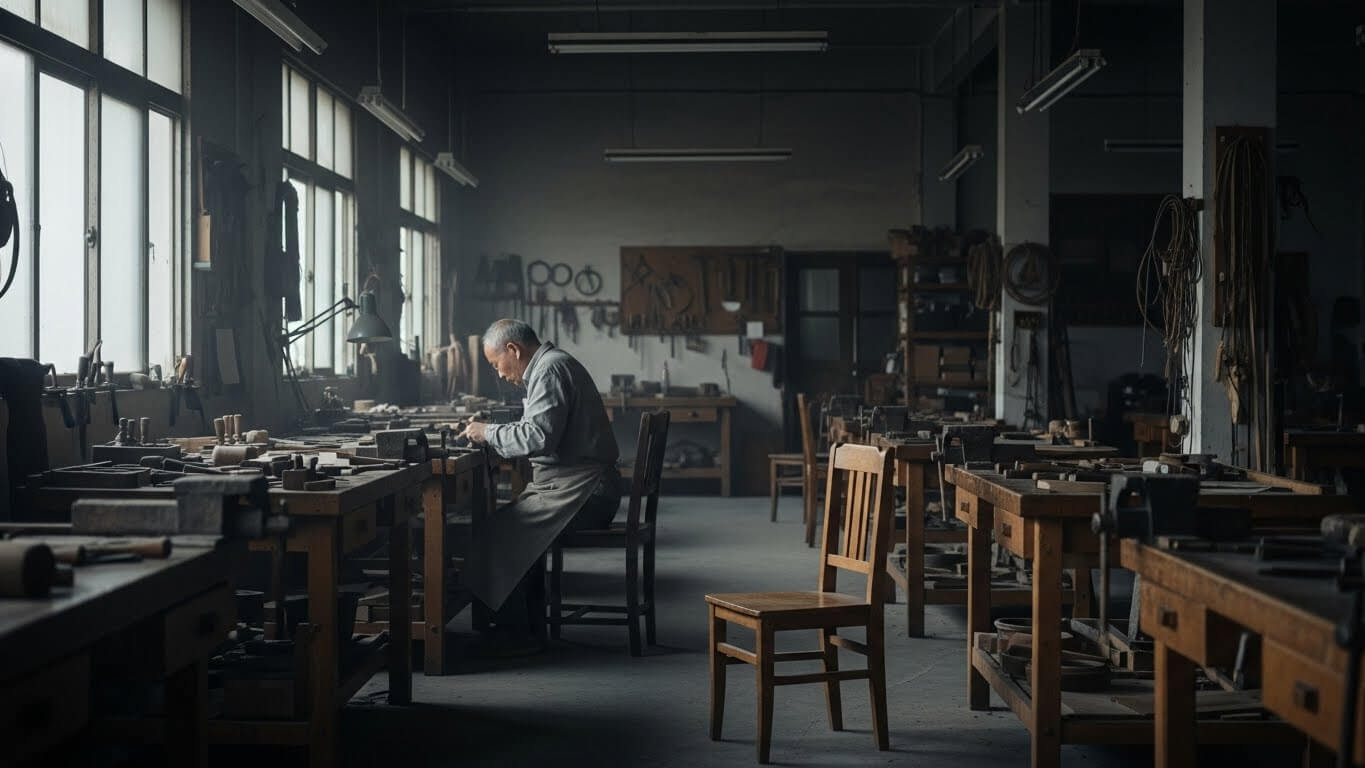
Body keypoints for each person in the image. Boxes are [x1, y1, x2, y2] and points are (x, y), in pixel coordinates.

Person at [460, 319, 622, 618]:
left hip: (586, 492)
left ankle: (519, 634)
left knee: (502, 532)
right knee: (503, 525)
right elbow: (537, 429)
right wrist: (496, 431)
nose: (499, 373)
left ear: (513, 350)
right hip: (576, 485)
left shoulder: (550, 369)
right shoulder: (550, 365)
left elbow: (538, 437)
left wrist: (487, 432)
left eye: (497, 364)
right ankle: (516, 625)